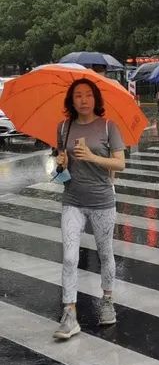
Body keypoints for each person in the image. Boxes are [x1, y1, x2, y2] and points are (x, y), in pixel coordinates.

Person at [52, 78, 127, 339]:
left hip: (102, 201)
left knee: (105, 254)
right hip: (72, 199)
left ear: (96, 98)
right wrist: (61, 163)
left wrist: (92, 156)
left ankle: (107, 300)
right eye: (77, 96)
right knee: (70, 257)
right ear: (71, 101)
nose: (83, 100)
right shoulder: (63, 127)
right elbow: (61, 168)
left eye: (87, 95)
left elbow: (120, 164)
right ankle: (69, 313)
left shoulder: (108, 127)